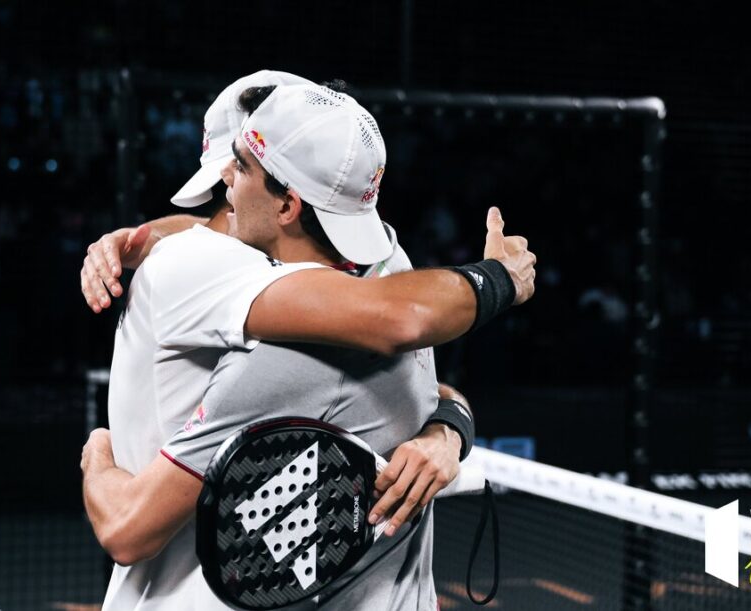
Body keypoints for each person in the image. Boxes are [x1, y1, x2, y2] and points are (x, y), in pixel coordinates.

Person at [80, 82, 535, 610]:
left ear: (289, 204)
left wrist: (97, 452)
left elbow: (126, 529)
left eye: (241, 167)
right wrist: (448, 427)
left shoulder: (283, 354)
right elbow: (415, 359)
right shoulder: (393, 265)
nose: (228, 181)